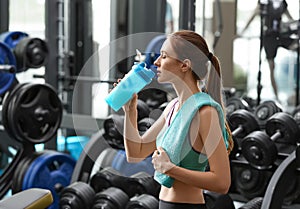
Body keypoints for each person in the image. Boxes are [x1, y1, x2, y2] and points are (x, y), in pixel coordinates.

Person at [117, 30, 233, 209]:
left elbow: (222, 182)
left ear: (184, 65)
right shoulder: (172, 107)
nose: (156, 62)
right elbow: (135, 153)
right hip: (164, 204)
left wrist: (170, 169)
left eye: (163, 56)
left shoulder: (205, 112)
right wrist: (130, 111)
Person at [240, 0, 295, 100]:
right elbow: (253, 15)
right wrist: (242, 32)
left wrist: (291, 26)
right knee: (271, 66)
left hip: (280, 35)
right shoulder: (264, 4)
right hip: (269, 37)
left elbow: (290, 19)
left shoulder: (283, 4)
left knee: (295, 46)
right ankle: (277, 97)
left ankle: (291, 94)